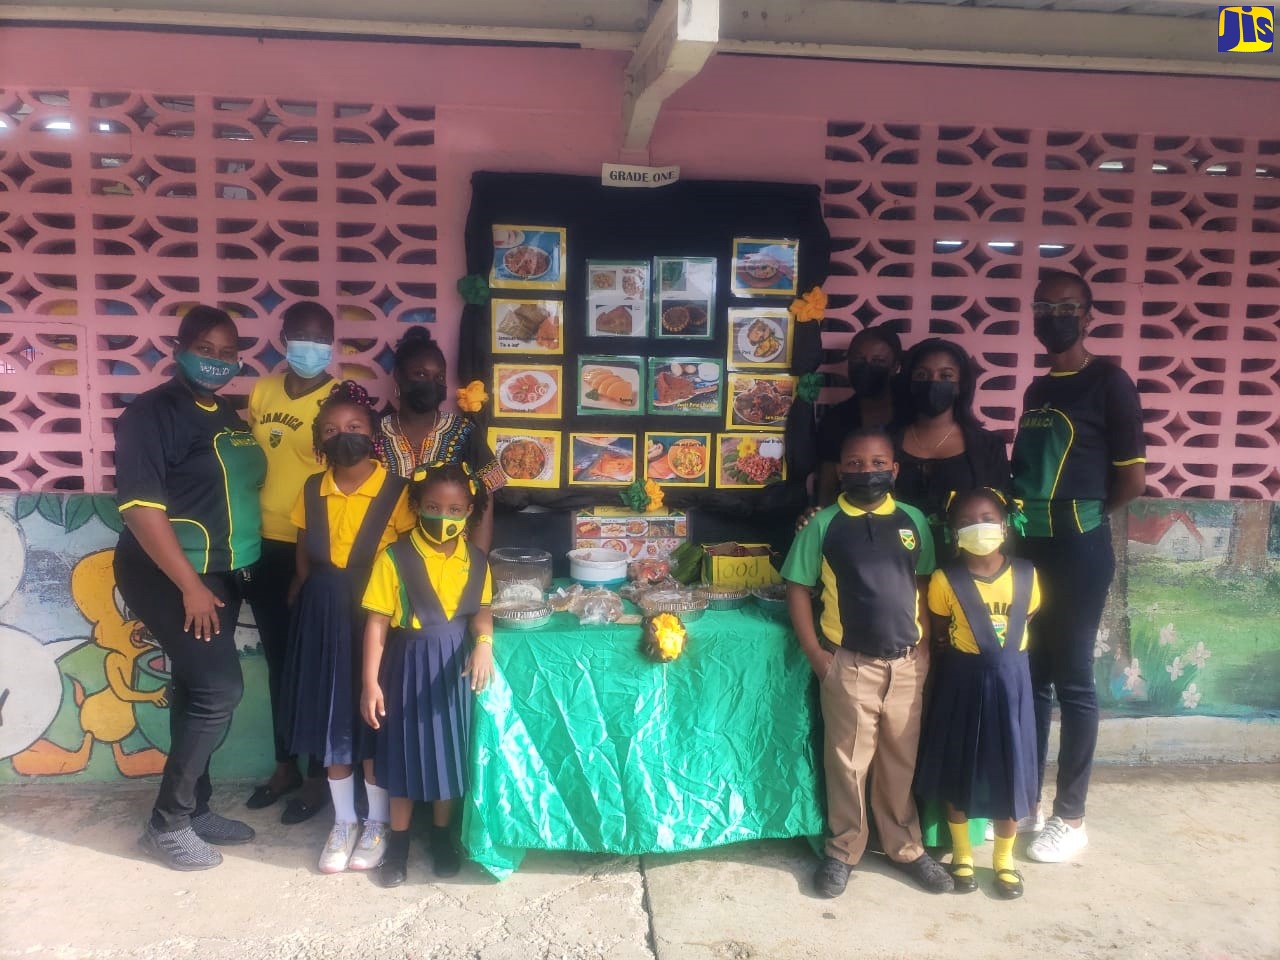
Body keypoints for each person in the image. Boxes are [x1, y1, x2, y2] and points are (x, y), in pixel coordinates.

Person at [113, 305, 266, 871]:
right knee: (218, 690)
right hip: (168, 574)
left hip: (219, 573)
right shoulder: (152, 414)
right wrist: (190, 587)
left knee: (194, 688)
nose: (218, 360)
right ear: (179, 348)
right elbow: (139, 507)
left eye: (229, 352)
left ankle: (197, 807)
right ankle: (168, 823)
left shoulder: (225, 413)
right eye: (207, 348)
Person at [780, 427, 953, 898]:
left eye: (878, 463)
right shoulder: (824, 524)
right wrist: (816, 654)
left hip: (906, 664)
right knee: (849, 763)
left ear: (894, 470)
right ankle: (843, 849)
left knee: (900, 758)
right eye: (854, 464)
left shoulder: (914, 520)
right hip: (849, 664)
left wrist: (924, 647)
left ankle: (905, 846)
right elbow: (798, 587)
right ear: (839, 471)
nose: (866, 472)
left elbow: (921, 584)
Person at [1011, 269, 1146, 863]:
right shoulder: (1037, 392)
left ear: (1089, 316)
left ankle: (1072, 817)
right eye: (1044, 306)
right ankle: (1027, 803)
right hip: (1029, 548)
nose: (1053, 316)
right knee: (1032, 680)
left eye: (1066, 307)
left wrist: (1082, 522)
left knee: (1072, 680)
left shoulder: (1110, 383)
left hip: (1081, 549)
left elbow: (1132, 479)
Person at [277, 381, 416, 875]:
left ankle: (377, 821)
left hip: (377, 618)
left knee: (374, 717)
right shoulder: (313, 488)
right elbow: (301, 541)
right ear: (318, 440)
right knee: (333, 716)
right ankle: (343, 820)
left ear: (373, 434)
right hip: (324, 614)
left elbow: (409, 557)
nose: (344, 436)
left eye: (355, 428)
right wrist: (302, 582)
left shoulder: (397, 491)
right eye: (332, 430)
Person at [360, 462, 495, 887]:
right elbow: (378, 622)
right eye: (433, 507)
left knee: (447, 758)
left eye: (455, 510)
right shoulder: (394, 557)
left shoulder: (476, 560)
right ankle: (397, 844)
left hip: (453, 671)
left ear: (469, 511)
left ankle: (440, 837)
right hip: (407, 667)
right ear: (416, 507)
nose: (444, 517)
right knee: (401, 755)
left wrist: (484, 646)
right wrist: (369, 682)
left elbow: (482, 612)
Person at [915, 488, 1040, 899]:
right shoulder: (944, 580)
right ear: (953, 534)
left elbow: (1029, 617)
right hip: (963, 685)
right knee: (960, 770)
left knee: (1010, 773)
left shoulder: (1026, 575)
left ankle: (1004, 860)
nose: (978, 528)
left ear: (1005, 525)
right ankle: (963, 854)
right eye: (967, 522)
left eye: (986, 518)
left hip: (1013, 688)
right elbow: (938, 627)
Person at [244, 301, 335, 822]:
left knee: (318, 663)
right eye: (299, 335)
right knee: (279, 661)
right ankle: (285, 766)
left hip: (315, 545)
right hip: (264, 544)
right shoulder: (261, 392)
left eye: (319, 337)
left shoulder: (340, 398)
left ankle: (323, 772)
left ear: (331, 344)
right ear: (281, 337)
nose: (308, 345)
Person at [377, 326, 504, 551]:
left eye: (439, 377)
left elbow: (486, 498)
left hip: (451, 560)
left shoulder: (464, 432)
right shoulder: (375, 432)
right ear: (398, 375)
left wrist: (476, 563)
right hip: (385, 558)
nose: (431, 383)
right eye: (421, 374)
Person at [895, 337, 1010, 551]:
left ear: (960, 386)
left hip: (964, 572)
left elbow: (1000, 515)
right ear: (910, 383)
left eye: (945, 376)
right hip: (896, 567)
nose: (933, 382)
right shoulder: (884, 442)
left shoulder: (988, 446)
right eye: (922, 375)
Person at [814, 325, 904, 506]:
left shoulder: (910, 414)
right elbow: (827, 488)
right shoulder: (836, 419)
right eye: (858, 359)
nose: (866, 367)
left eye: (878, 361)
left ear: (895, 366)